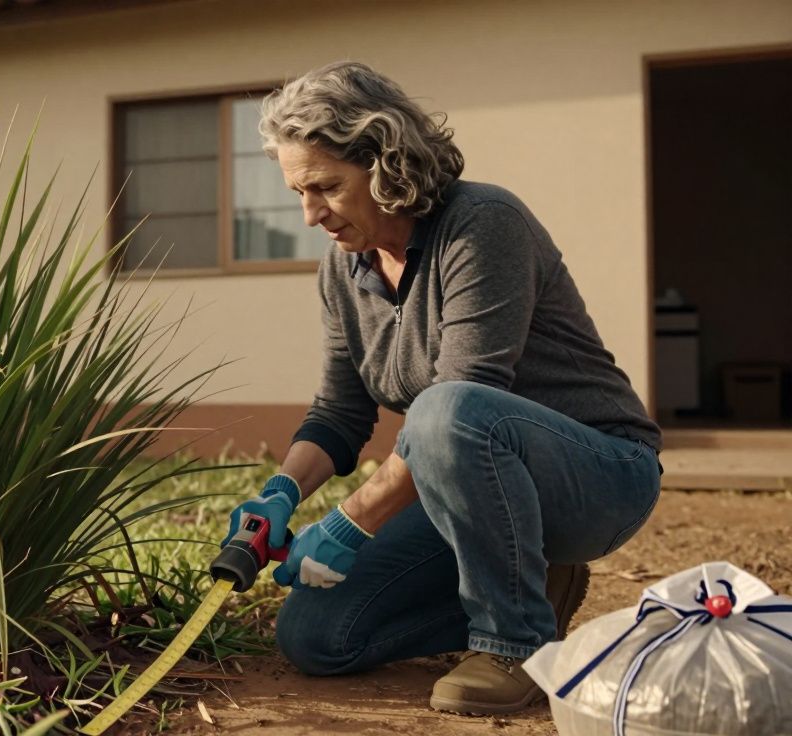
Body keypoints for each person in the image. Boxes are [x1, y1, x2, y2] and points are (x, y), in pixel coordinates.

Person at [222, 61, 662, 716]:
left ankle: (515, 641)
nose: (311, 214)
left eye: (326, 187)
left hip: (597, 475)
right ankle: (530, 579)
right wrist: (280, 492)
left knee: (445, 409)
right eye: (298, 193)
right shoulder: (345, 269)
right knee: (316, 636)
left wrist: (350, 521)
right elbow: (340, 413)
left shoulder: (482, 224)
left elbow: (463, 396)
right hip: (468, 485)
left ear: (386, 162)